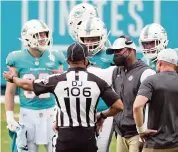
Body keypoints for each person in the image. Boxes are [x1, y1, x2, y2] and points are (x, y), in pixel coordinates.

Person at [4, 42, 124, 152]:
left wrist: (13, 78)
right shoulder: (97, 81)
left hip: (65, 137)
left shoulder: (57, 80)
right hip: (88, 137)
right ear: (85, 60)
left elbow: (27, 85)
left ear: (67, 61)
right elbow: (118, 106)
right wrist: (102, 116)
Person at [5, 19, 65, 152]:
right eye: (39, 34)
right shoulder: (16, 58)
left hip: (51, 112)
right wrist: (9, 117)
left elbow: (61, 89)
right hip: (28, 114)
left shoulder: (56, 57)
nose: (43, 37)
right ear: (28, 37)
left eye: (44, 34)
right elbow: (10, 91)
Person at [105, 35, 156, 152]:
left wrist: (143, 131)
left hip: (137, 133)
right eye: (114, 52)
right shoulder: (116, 71)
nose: (115, 55)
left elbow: (151, 106)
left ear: (131, 50)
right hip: (121, 133)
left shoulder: (146, 72)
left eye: (119, 51)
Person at [77, 17, 114, 152]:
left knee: (102, 148)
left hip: (106, 110)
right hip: (82, 111)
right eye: (86, 39)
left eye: (93, 38)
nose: (89, 43)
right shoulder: (78, 54)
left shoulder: (111, 55)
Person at [133, 48, 178, 152]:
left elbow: (137, 106)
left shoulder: (150, 81)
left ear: (160, 62)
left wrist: (141, 130)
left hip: (155, 143)